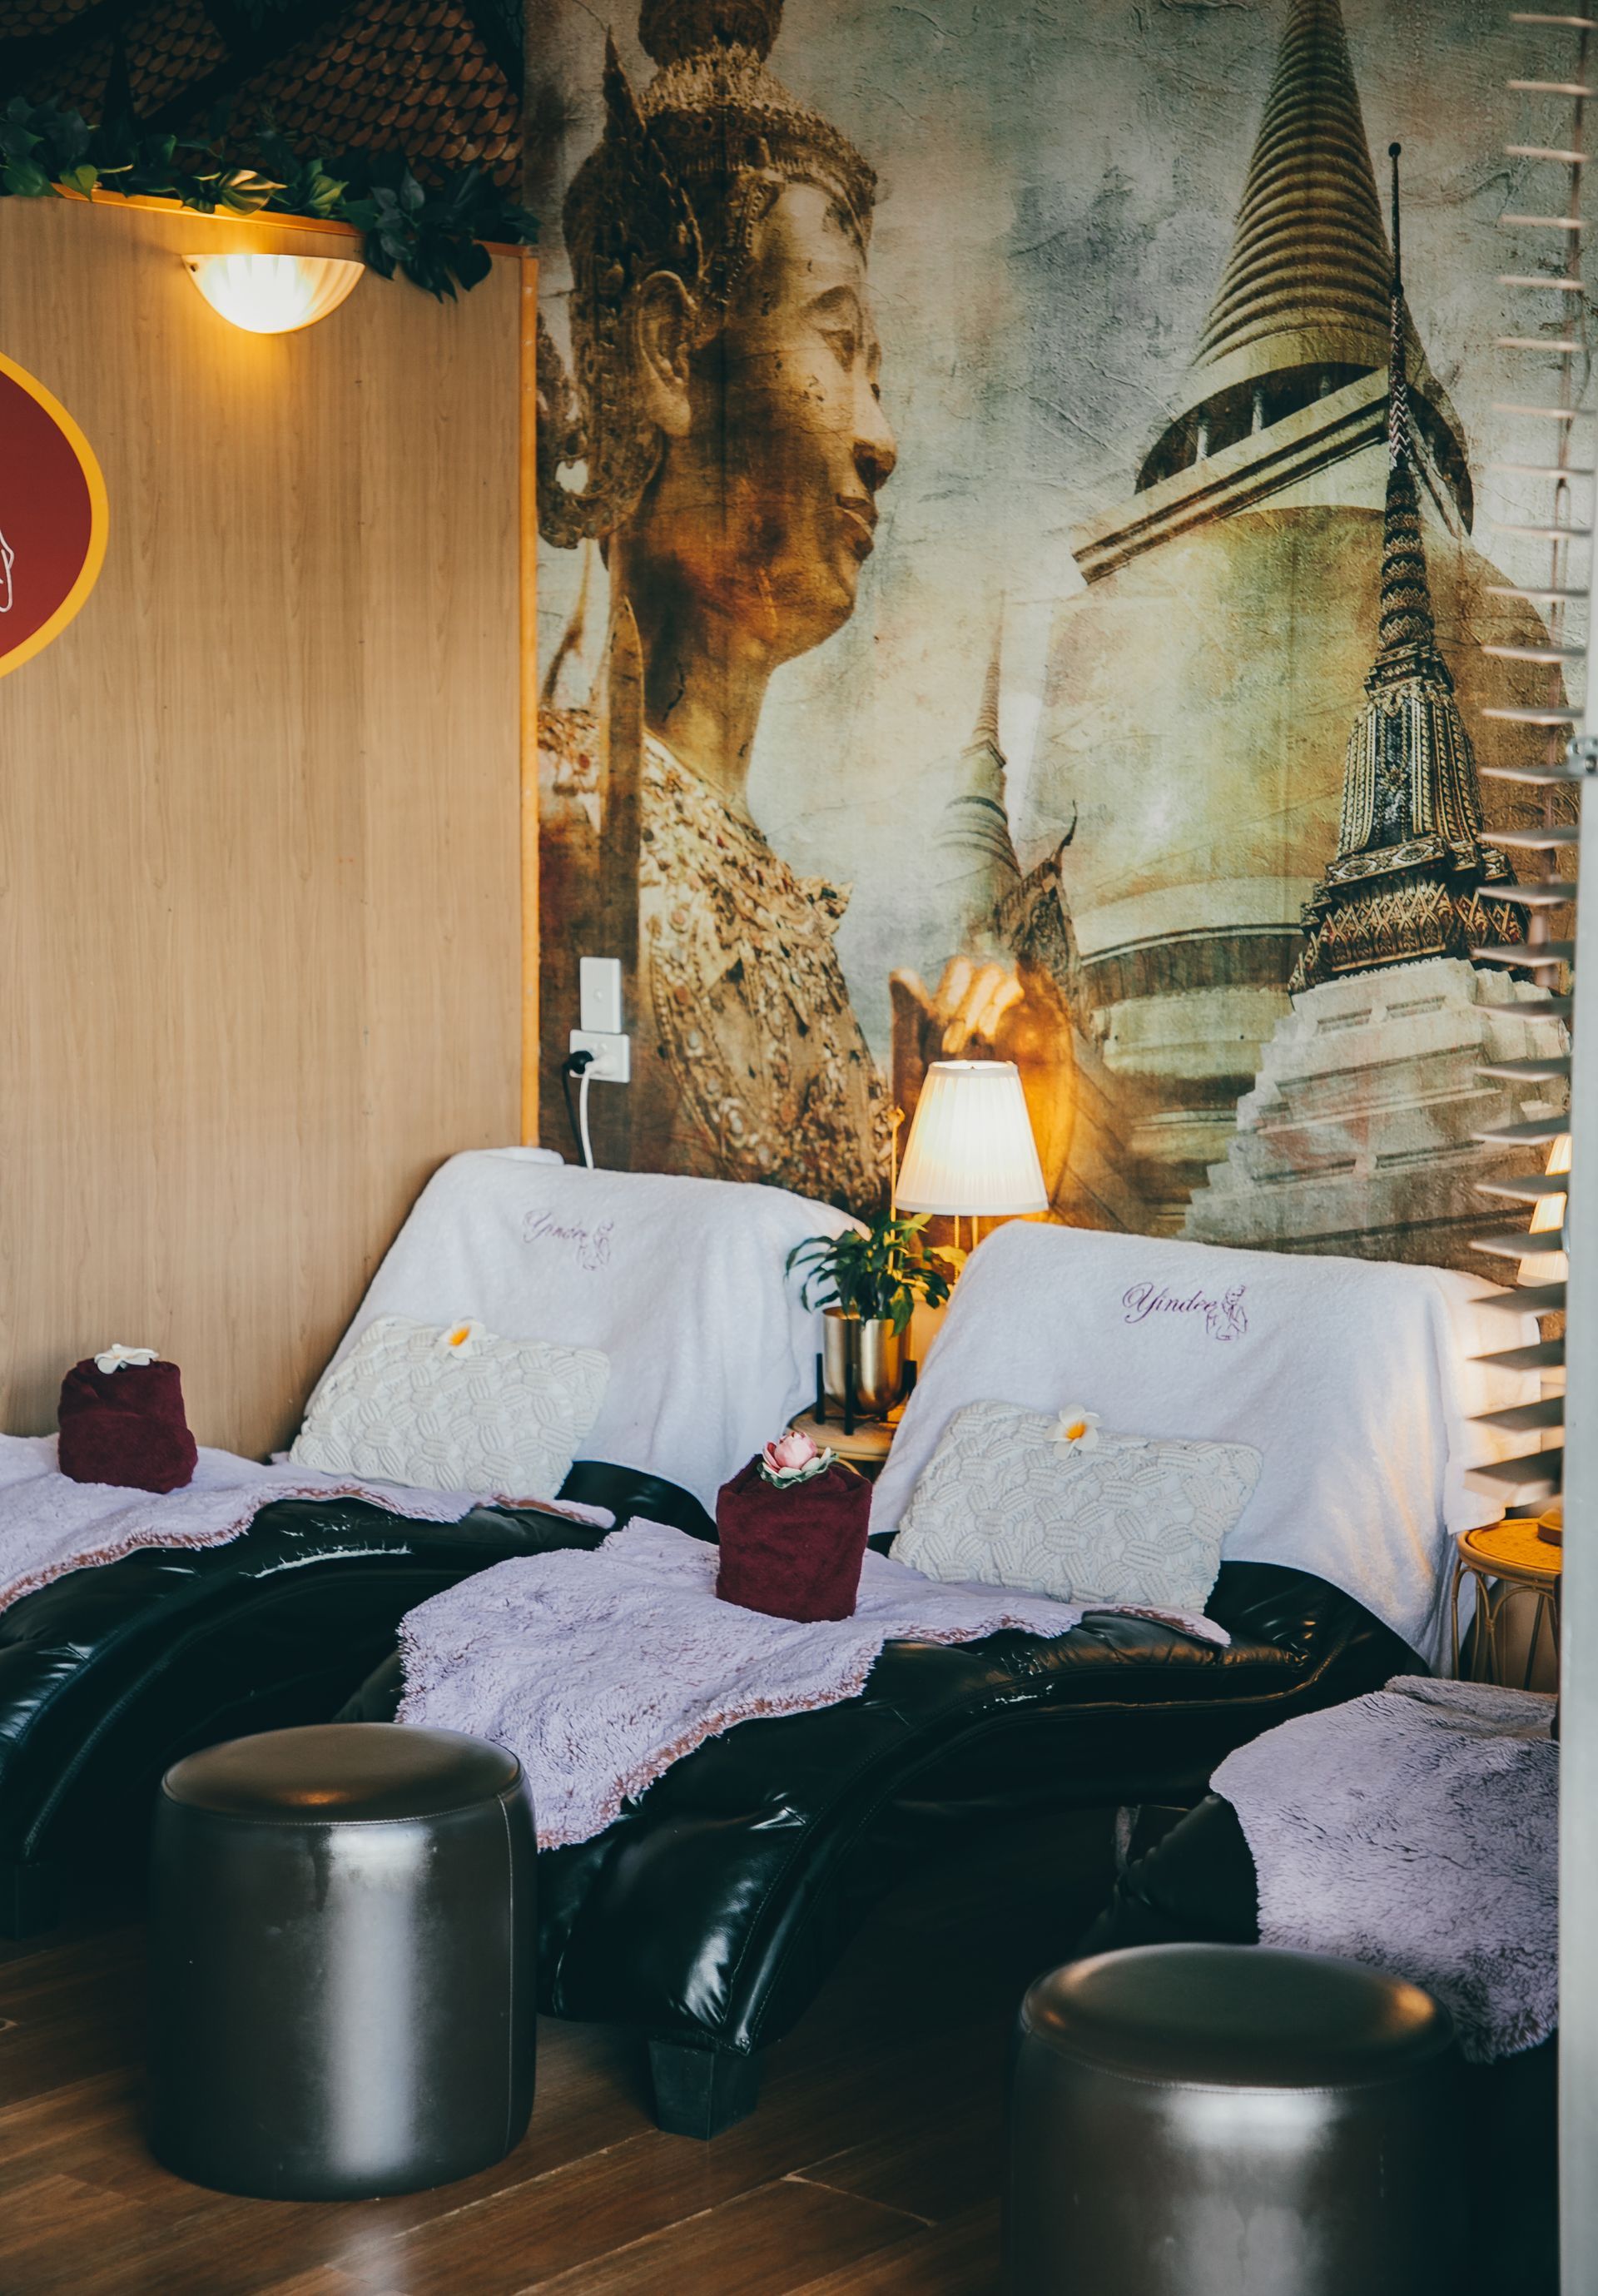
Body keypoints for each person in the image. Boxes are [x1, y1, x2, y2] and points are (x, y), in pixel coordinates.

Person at [538, 0, 898, 1209]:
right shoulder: (550, 825)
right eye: (837, 350)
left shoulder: (783, 897)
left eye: (877, 375)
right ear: (667, 351)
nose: (881, 438)